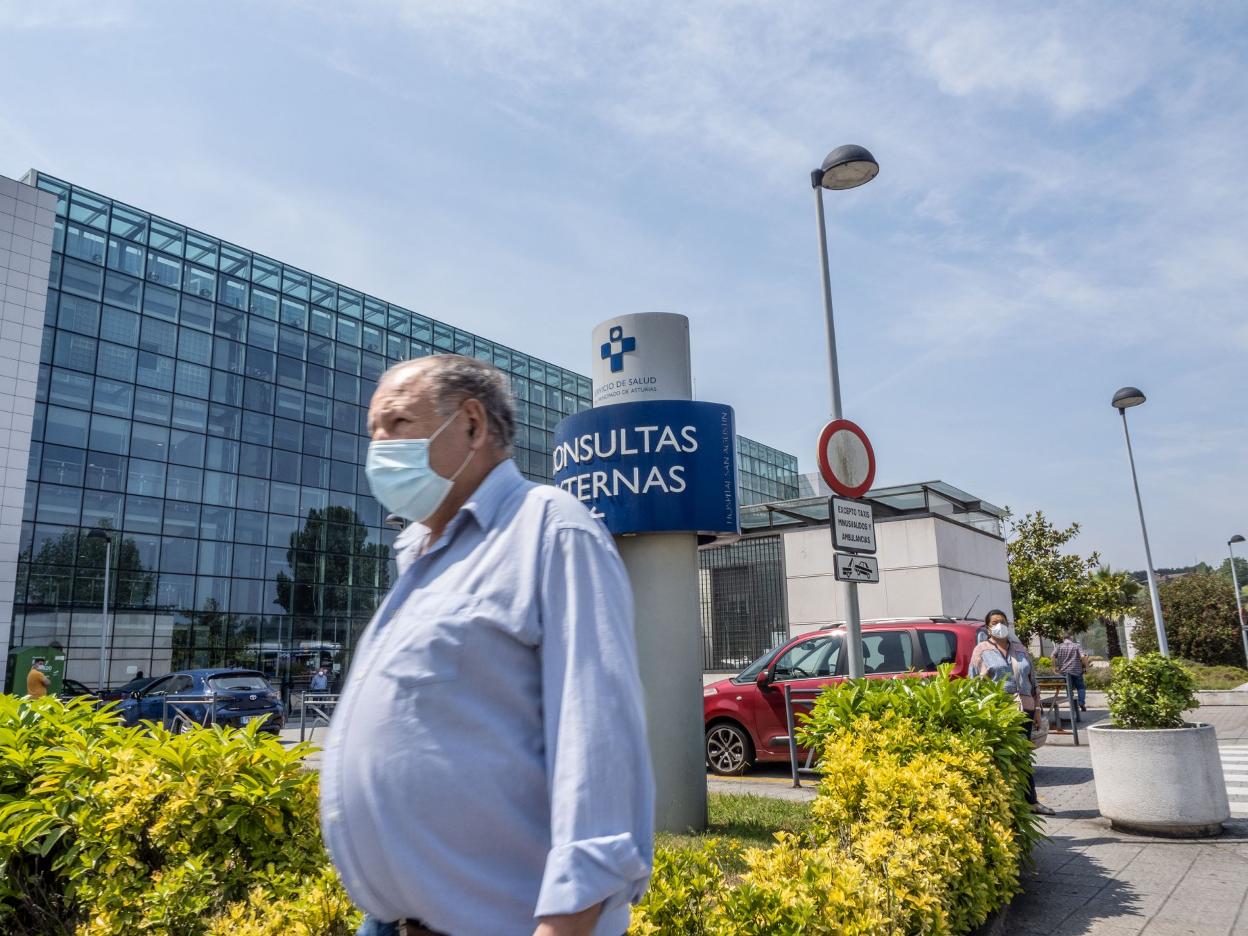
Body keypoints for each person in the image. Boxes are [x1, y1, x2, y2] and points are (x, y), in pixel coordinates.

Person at [320, 355, 654, 936]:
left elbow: (596, 742)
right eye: (373, 430)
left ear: (472, 425)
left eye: (397, 423)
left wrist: (568, 920)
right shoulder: (418, 554)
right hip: (392, 921)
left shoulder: (550, 529)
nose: (379, 446)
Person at [969, 610, 1056, 816]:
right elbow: (973, 683)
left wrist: (1037, 710)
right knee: (1002, 757)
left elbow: (1033, 681)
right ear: (988, 627)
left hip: (1024, 709)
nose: (999, 625)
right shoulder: (981, 650)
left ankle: (1031, 801)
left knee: (1023, 756)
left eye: (1002, 621)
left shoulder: (1019, 649)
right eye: (994, 622)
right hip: (999, 711)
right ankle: (1005, 803)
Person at [1051, 632, 1088, 715]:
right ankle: (1081, 702)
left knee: (1069, 689)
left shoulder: (1059, 646)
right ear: (1071, 638)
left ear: (1063, 638)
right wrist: (1086, 667)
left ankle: (1073, 706)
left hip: (1065, 672)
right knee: (1081, 687)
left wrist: (1054, 668)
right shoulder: (1076, 646)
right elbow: (1083, 656)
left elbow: (1052, 656)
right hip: (1077, 671)